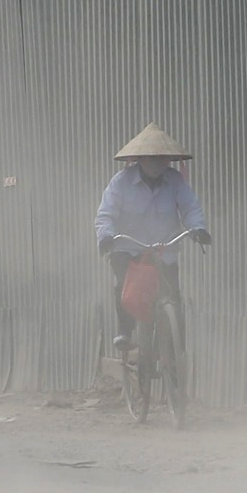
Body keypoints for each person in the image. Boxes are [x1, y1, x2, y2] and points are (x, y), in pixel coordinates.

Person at [94, 124, 211, 349]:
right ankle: (125, 331)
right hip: (128, 248)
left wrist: (198, 229)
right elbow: (105, 214)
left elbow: (190, 208)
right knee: (125, 287)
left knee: (173, 298)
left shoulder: (176, 181)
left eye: (162, 158)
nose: (157, 163)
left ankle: (175, 354)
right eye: (152, 158)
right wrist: (106, 236)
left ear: (168, 160)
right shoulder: (121, 182)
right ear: (140, 159)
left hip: (164, 249)